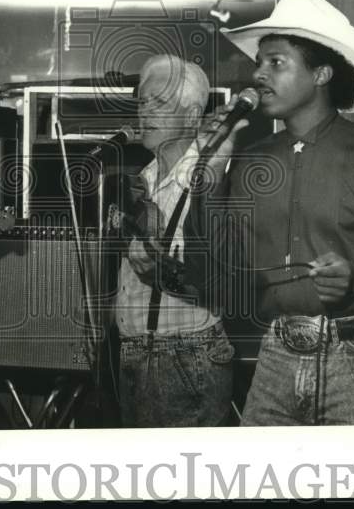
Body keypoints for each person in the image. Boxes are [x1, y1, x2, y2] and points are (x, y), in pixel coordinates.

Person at [185, 0, 354, 426]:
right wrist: (211, 177)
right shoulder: (251, 159)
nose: (259, 74)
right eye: (259, 63)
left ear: (322, 73)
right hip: (274, 357)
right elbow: (217, 274)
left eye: (276, 62)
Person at [112, 54, 235, 428]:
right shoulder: (145, 177)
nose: (145, 112)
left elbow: (218, 283)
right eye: (142, 102)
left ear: (193, 115)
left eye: (160, 103)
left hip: (185, 355)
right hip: (137, 353)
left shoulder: (211, 177)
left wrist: (159, 273)